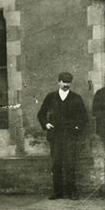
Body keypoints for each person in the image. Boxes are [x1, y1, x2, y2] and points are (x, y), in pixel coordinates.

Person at [36, 72, 89, 200]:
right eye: (64, 82)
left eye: (68, 82)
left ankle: (72, 192)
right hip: (55, 135)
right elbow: (41, 114)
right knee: (56, 164)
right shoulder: (51, 97)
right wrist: (46, 124)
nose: (66, 84)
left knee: (70, 164)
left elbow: (84, 117)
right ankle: (57, 192)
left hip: (70, 136)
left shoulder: (76, 98)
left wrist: (77, 128)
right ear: (58, 82)